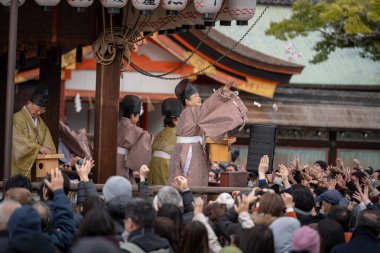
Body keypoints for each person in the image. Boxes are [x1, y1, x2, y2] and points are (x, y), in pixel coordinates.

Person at [169, 78, 247, 186]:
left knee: (184, 183)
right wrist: (223, 91)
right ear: (187, 101)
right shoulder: (191, 112)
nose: (199, 97)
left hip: (187, 150)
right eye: (195, 95)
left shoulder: (191, 113)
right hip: (189, 153)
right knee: (191, 183)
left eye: (199, 95)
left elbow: (210, 122)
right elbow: (209, 107)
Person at [11, 82, 56, 178]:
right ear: (29, 103)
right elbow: (18, 143)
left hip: (37, 169)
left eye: (42, 110)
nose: (39, 113)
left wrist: (48, 150)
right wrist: (38, 148)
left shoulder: (41, 124)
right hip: (20, 170)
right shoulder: (17, 119)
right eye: (37, 110)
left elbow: (48, 143)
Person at [117, 95, 153, 182]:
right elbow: (145, 141)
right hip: (122, 161)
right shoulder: (134, 130)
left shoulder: (118, 125)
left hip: (112, 159)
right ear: (133, 115)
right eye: (138, 115)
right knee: (124, 183)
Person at [148, 98, 183, 185]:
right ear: (176, 119)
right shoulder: (180, 133)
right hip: (166, 166)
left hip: (153, 165)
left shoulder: (159, 133)